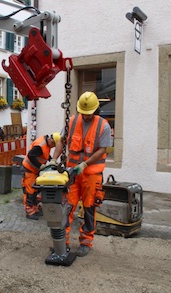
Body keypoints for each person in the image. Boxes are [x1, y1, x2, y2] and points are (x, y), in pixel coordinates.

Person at [52, 91, 112, 257]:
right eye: (82, 113)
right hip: (72, 175)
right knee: (67, 207)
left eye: (88, 114)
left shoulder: (103, 125)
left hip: (91, 176)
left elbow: (102, 150)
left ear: (95, 111)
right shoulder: (71, 121)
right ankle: (62, 242)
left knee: (88, 209)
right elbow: (61, 142)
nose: (85, 116)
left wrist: (85, 164)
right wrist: (53, 160)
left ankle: (86, 241)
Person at [22, 132, 61, 220]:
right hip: (29, 170)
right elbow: (31, 155)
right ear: (52, 141)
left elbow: (45, 155)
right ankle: (30, 212)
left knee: (35, 190)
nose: (53, 147)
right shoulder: (40, 146)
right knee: (30, 191)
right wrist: (40, 166)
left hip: (34, 171)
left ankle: (34, 209)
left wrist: (52, 161)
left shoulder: (46, 145)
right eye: (54, 145)